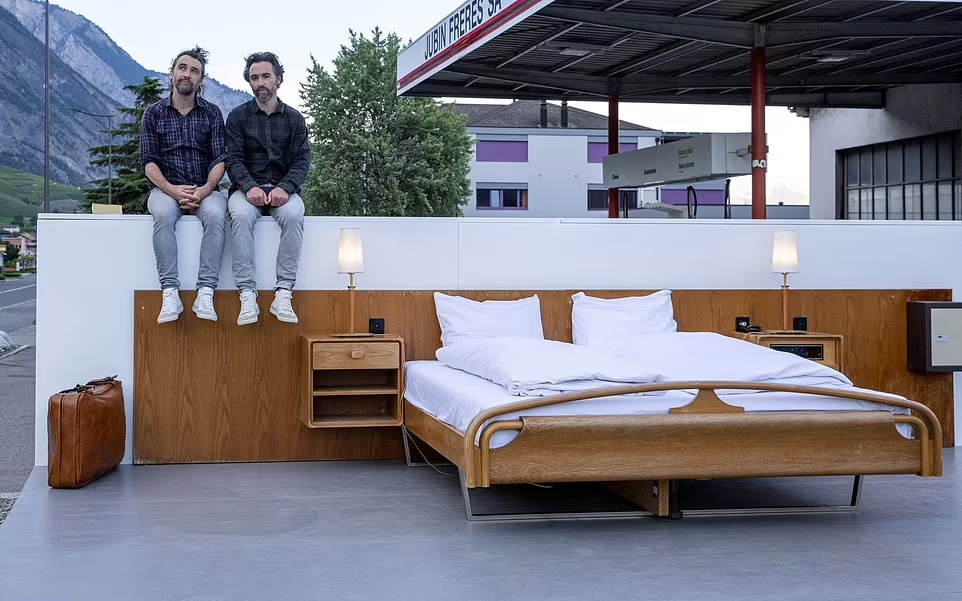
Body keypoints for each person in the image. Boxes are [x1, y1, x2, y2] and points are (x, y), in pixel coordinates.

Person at [140, 46, 228, 324]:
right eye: (182, 68)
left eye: (194, 71)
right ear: (172, 74)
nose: (187, 74)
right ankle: (170, 292)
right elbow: (148, 161)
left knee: (216, 214)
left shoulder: (212, 113)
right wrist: (172, 190)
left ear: (201, 80)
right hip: (166, 188)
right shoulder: (153, 114)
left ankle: (206, 291)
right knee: (163, 214)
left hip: (206, 188)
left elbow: (220, 159)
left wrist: (204, 190)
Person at [225, 51, 310, 325]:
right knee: (239, 215)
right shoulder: (238, 117)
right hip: (246, 190)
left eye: (265, 76)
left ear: (278, 79)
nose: (260, 83)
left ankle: (283, 292)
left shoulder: (295, 119)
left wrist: (285, 187)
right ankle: (247, 293)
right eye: (254, 78)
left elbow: (302, 161)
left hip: (283, 191)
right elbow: (233, 159)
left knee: (295, 214)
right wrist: (249, 187)